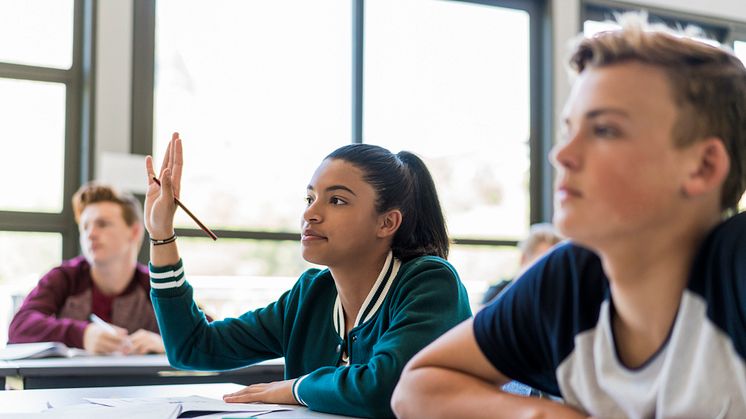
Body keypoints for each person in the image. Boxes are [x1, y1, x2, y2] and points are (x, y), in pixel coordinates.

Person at [392, 15, 746, 419]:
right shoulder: (570, 281)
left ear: (702, 166)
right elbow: (417, 385)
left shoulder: (736, 265)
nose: (561, 155)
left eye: (605, 130)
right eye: (568, 129)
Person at [144, 134, 472, 417]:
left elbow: (384, 389)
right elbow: (192, 347)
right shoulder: (312, 293)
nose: (310, 213)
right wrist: (161, 236)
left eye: (337, 200)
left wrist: (294, 388)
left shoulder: (430, 282)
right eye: (310, 197)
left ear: (386, 223)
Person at [9, 182, 165, 355]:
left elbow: (198, 334)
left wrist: (166, 343)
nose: (90, 234)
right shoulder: (63, 278)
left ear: (134, 232)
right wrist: (82, 334)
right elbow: (19, 326)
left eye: (103, 224)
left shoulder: (154, 285)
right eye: (85, 226)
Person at [480, 223, 562, 304]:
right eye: (542, 263)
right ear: (523, 259)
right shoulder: (497, 295)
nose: (548, 270)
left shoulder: (558, 299)